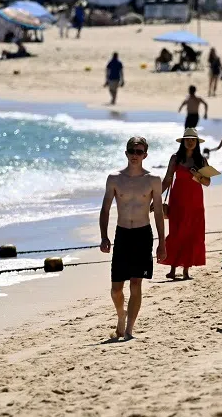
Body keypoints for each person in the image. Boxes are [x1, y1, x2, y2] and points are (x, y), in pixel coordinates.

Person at [98, 137, 166, 341]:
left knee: (136, 283)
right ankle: (121, 316)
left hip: (143, 234)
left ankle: (129, 329)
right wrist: (104, 236)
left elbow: (159, 213)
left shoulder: (153, 179)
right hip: (122, 234)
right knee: (116, 289)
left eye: (139, 151)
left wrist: (162, 242)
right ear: (126, 153)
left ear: (145, 155)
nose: (135, 155)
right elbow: (105, 209)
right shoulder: (114, 178)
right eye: (131, 151)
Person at [160, 129, 210, 281]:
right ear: (183, 141)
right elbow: (167, 179)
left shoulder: (201, 160)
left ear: (196, 143)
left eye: (193, 139)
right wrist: (156, 198)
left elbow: (207, 182)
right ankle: (173, 268)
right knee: (176, 232)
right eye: (187, 139)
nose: (190, 142)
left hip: (195, 202)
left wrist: (197, 174)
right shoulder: (175, 158)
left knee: (192, 233)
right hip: (178, 201)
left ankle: (186, 270)